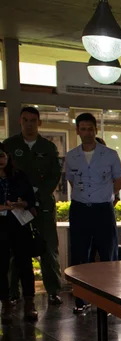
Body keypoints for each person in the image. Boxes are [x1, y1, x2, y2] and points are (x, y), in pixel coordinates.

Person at [65, 113, 121, 314]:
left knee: (108, 254)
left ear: (95, 130)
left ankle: (108, 300)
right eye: (83, 129)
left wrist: (105, 194)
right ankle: (81, 300)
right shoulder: (71, 155)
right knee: (80, 255)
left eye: (90, 129)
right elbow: (72, 180)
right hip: (80, 208)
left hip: (103, 209)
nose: (87, 133)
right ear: (77, 131)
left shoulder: (109, 154)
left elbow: (120, 180)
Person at [2, 107, 63, 306]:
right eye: (25, 120)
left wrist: (36, 196)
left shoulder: (48, 147)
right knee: (14, 251)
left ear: (39, 123)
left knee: (48, 247)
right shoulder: (10, 145)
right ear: (20, 121)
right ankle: (13, 293)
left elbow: (55, 175)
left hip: (43, 204)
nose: (29, 124)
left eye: (33, 120)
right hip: (15, 206)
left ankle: (53, 291)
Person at [0, 143, 38, 323]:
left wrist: (21, 203)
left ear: (7, 157)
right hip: (0, 225)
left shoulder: (19, 176)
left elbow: (31, 199)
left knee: (24, 263)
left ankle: (29, 303)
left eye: (1, 156)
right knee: (1, 267)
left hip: (18, 223)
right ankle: (6, 304)